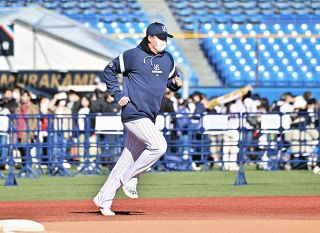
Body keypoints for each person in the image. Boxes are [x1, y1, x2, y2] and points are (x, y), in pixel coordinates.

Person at [94, 22, 183, 216]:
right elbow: (109, 70)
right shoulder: (132, 55)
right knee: (159, 146)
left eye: (166, 38)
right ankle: (130, 178)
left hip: (150, 115)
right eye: (160, 37)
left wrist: (175, 84)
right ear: (150, 37)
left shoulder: (168, 58)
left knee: (126, 159)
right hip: (133, 112)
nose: (164, 41)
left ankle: (103, 199)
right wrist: (117, 95)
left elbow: (167, 81)